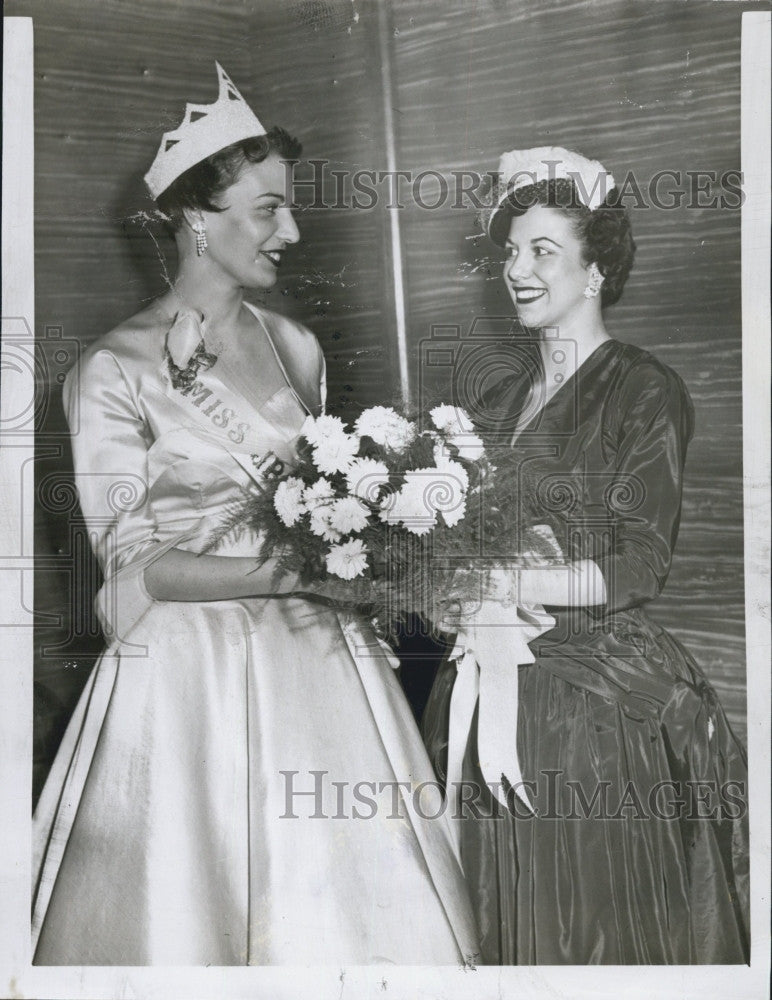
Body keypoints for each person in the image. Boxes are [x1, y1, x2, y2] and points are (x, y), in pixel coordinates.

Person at [31, 63, 479, 966]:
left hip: (323, 667)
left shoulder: (297, 347)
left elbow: (318, 499)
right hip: (185, 682)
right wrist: (302, 573)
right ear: (198, 217)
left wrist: (371, 543)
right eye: (269, 208)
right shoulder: (110, 371)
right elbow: (133, 564)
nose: (293, 229)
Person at [422, 146, 749, 964]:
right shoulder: (494, 400)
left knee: (592, 933)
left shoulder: (645, 388)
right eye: (510, 252)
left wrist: (503, 578)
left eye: (543, 251)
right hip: (486, 679)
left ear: (595, 269)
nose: (517, 270)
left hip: (594, 705)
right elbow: (452, 545)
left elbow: (640, 567)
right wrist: (442, 588)